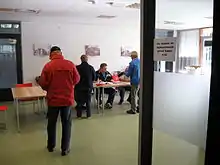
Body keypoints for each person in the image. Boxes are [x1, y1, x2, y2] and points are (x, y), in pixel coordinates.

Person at [38, 46, 80, 156]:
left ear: (51, 54)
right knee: (66, 124)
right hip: (66, 100)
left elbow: (42, 83)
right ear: (61, 53)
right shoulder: (70, 64)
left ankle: (51, 146)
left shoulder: (48, 66)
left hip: (53, 100)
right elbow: (77, 79)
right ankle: (65, 149)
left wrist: (49, 89)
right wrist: (69, 86)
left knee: (51, 123)